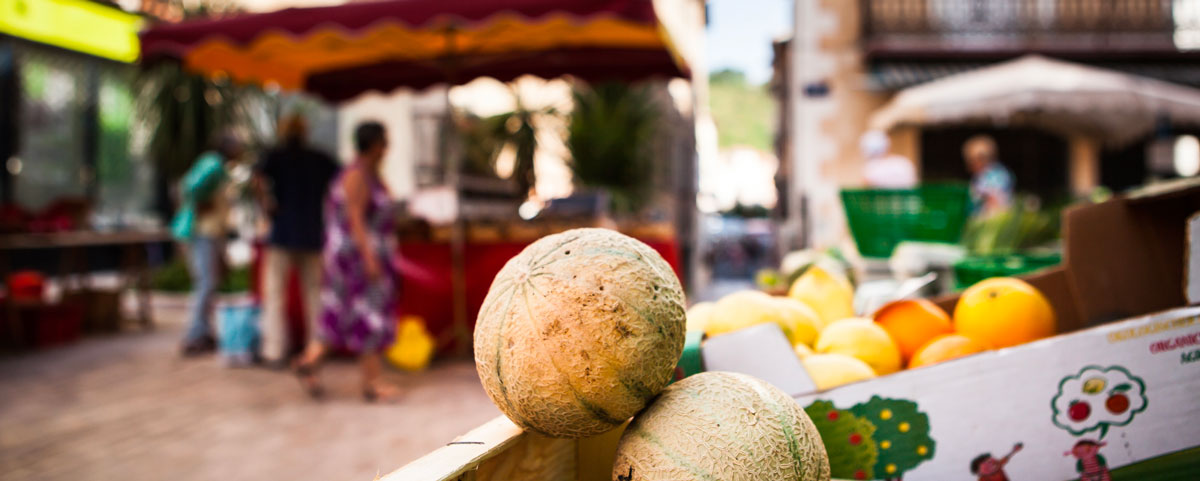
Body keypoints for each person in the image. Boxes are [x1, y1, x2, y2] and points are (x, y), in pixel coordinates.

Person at [294, 121, 400, 402]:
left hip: (353, 256)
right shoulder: (357, 175)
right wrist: (369, 257)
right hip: (355, 258)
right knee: (369, 315)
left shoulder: (367, 173)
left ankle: (310, 360)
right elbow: (355, 217)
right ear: (375, 144)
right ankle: (372, 383)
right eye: (384, 142)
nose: (387, 148)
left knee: (340, 313)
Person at [254, 114, 340, 368]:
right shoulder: (318, 158)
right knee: (314, 293)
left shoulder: (276, 156)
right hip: (311, 232)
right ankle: (316, 346)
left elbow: (256, 180)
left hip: (283, 232)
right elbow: (339, 183)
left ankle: (274, 350)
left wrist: (266, 205)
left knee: (275, 293)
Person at [172, 132, 243, 357]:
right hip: (203, 231)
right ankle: (195, 334)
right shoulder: (212, 163)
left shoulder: (220, 167)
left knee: (210, 282)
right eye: (236, 145)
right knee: (205, 282)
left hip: (213, 232)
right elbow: (189, 187)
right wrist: (198, 203)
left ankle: (204, 331)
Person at [963, 134, 1014, 215]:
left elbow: (994, 200)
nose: (969, 165)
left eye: (971, 161)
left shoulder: (997, 175)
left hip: (995, 217)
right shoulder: (981, 175)